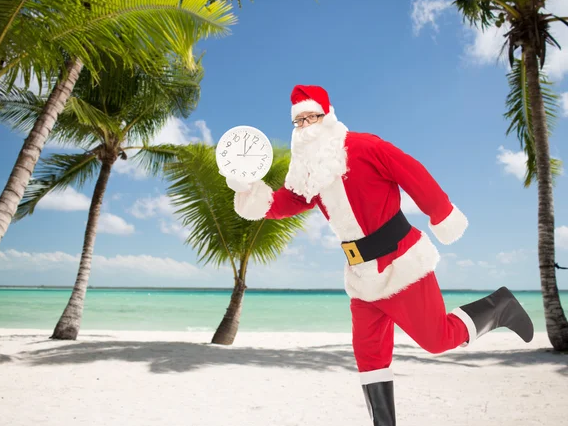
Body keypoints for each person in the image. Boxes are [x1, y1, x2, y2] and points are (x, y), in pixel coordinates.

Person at [225, 85, 534, 425]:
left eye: (310, 117)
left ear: (327, 117)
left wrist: (441, 213)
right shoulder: (309, 171)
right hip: (361, 277)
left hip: (402, 264)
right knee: (369, 357)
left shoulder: (364, 146)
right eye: (298, 121)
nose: (304, 127)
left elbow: (411, 172)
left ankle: (500, 306)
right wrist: (250, 191)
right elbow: (289, 201)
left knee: (437, 339)